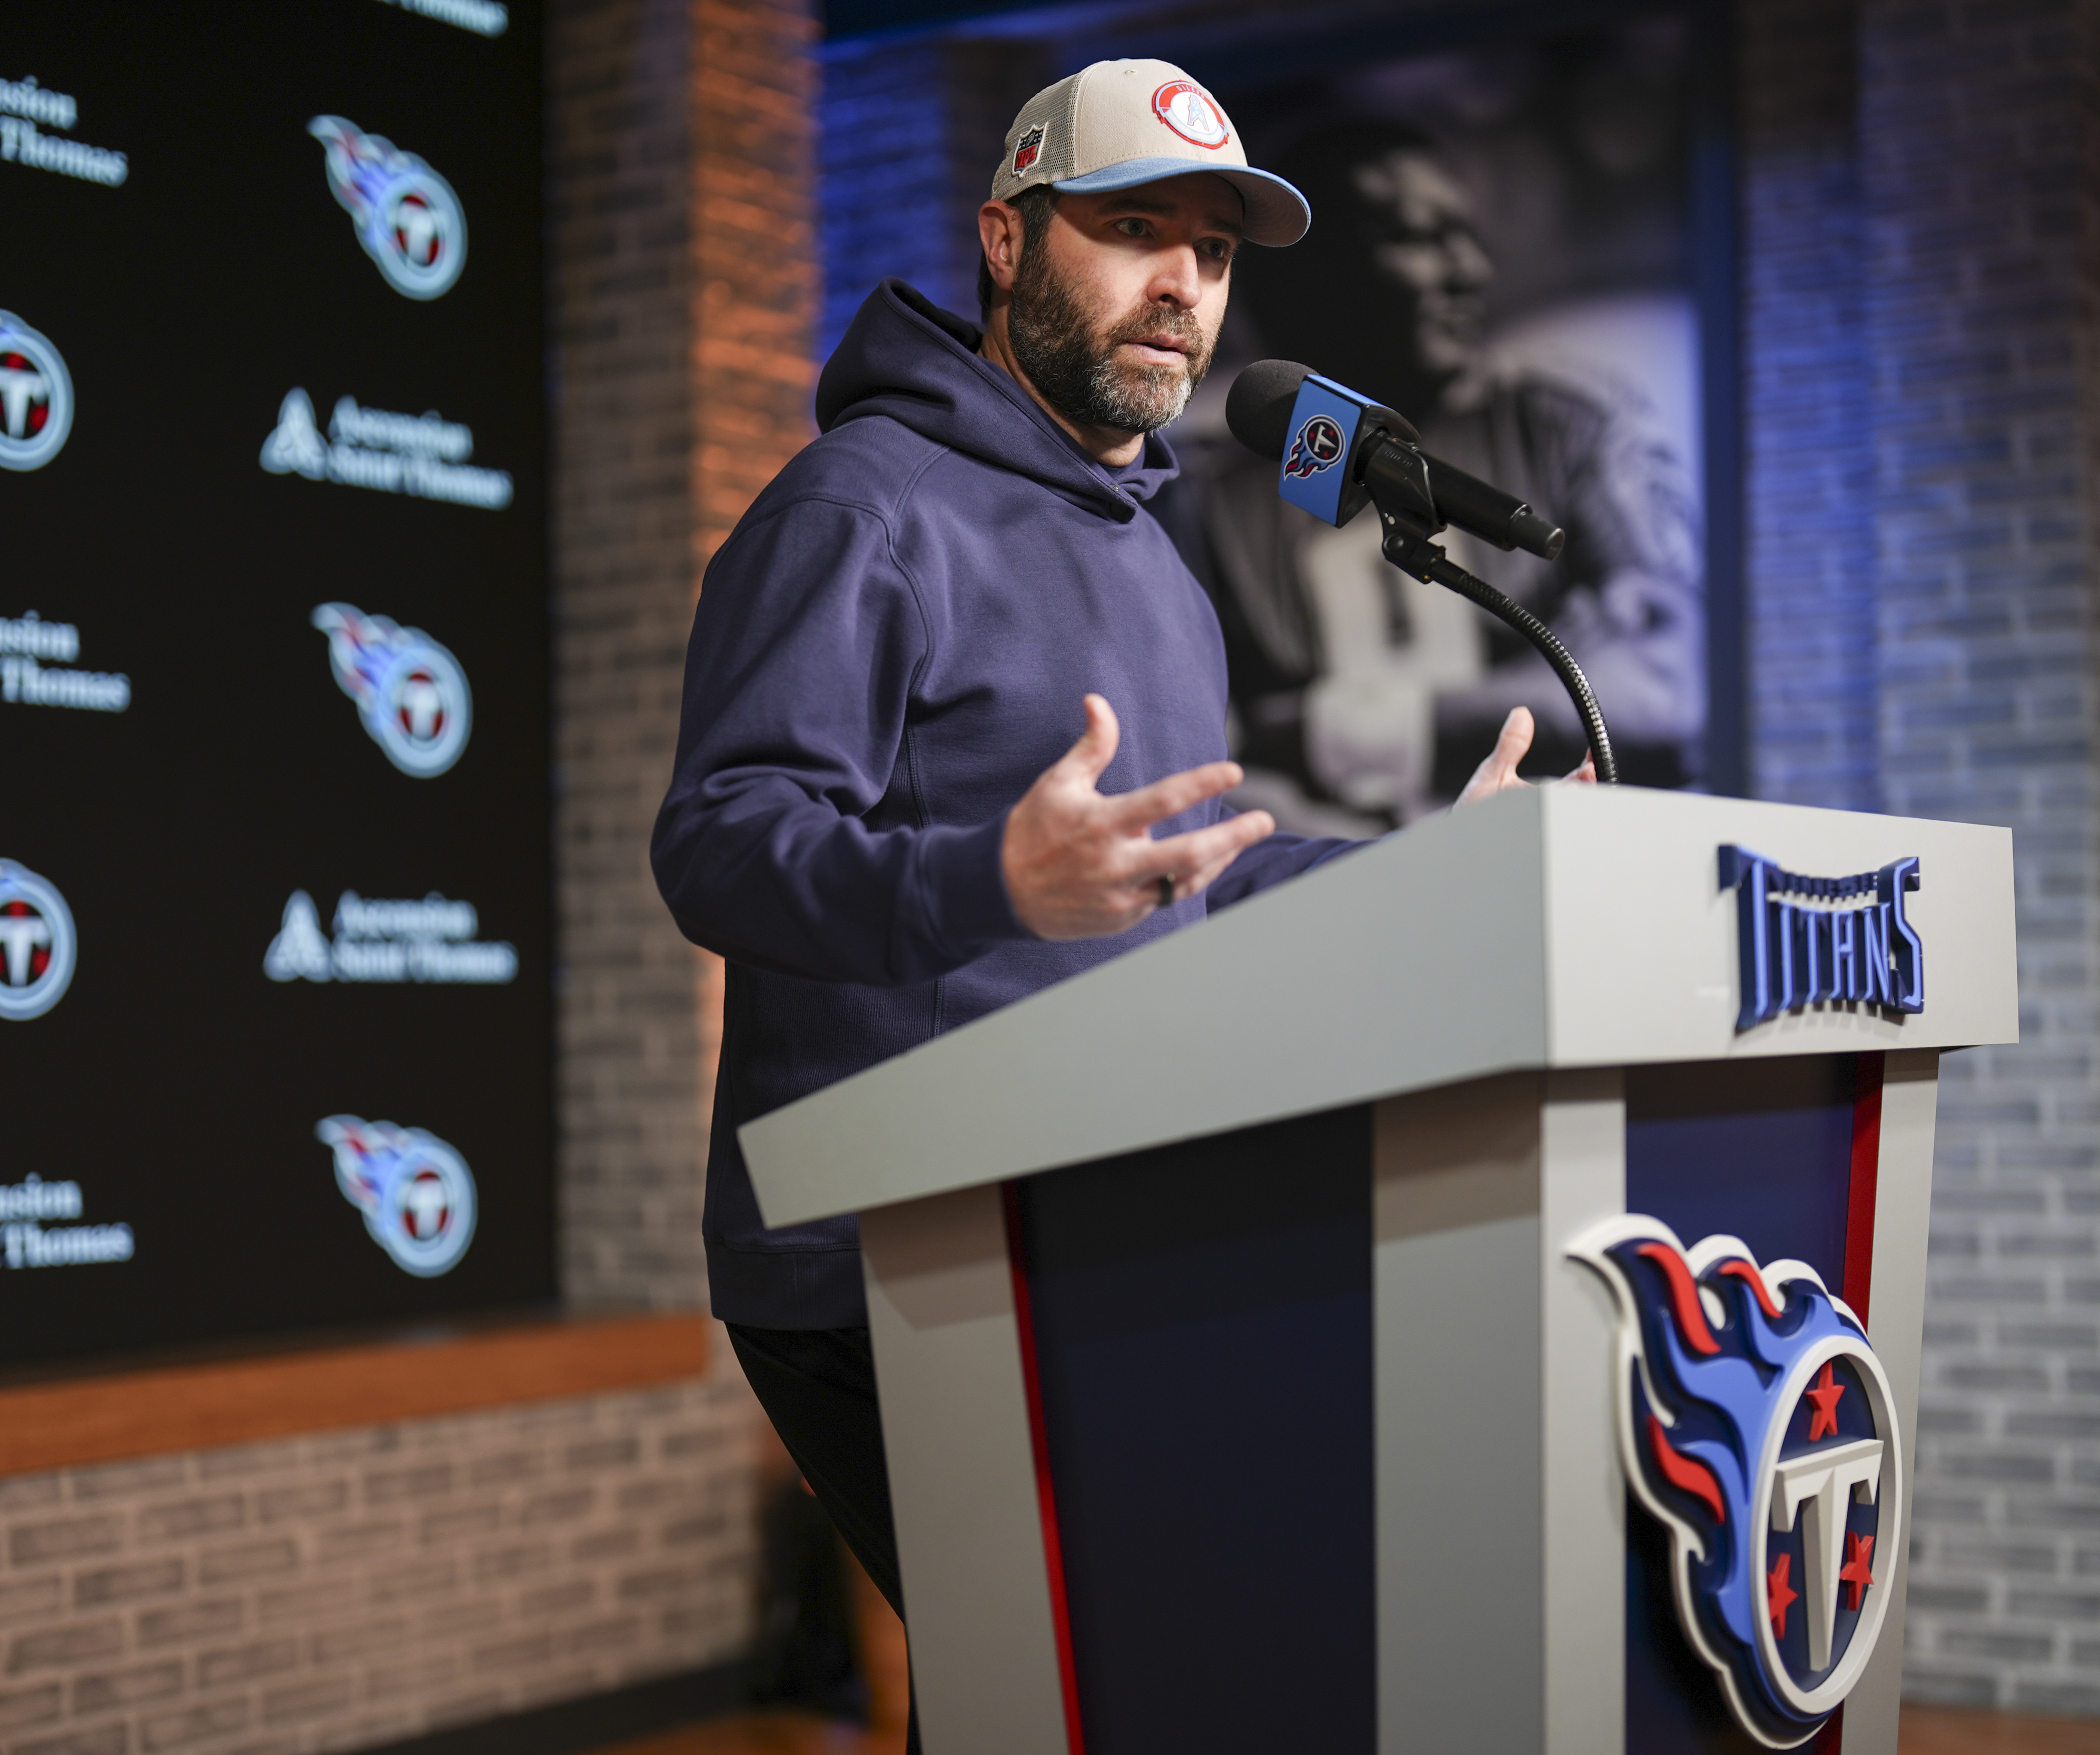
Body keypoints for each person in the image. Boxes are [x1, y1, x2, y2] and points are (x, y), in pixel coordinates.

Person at [649, 61, 1567, 1741]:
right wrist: (988, 878)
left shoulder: (1159, 557)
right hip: (885, 1253)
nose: (1183, 287)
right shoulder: (861, 508)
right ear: (1006, 242)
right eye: (1133, 229)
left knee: (1072, 1688)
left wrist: (1430, 871)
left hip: (1096, 1225)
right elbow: (718, 843)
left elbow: (1187, 877)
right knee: (1086, 1671)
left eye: (1212, 252)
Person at [1170, 118, 1706, 822]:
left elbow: (1663, 689)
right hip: (1323, 897)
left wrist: (1350, 733)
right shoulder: (1203, 495)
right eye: (1420, 239)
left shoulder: (1568, 431)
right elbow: (1182, 761)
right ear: (1305, 279)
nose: (1469, 272)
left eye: (1468, 237)